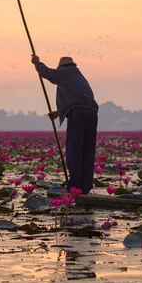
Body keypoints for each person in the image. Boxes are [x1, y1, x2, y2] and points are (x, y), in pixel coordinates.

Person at [31, 55, 99, 194]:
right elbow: (78, 100)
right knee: (87, 151)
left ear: (61, 67)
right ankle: (85, 187)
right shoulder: (78, 76)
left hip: (78, 115)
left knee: (74, 150)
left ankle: (74, 187)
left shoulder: (65, 72)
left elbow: (47, 73)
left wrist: (37, 63)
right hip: (92, 114)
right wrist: (59, 112)